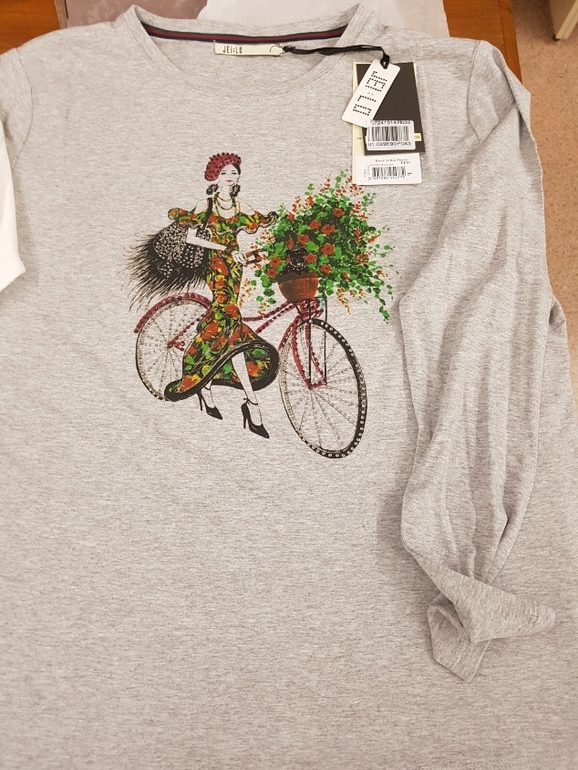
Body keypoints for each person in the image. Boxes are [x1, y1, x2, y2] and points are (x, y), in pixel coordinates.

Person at [162, 152, 279, 438]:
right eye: (225, 172)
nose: (230, 177)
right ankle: (252, 402)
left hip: (235, 267)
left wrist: (252, 253)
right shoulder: (206, 204)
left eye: (234, 172)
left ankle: (205, 387)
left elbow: (258, 226)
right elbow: (191, 236)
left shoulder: (241, 206)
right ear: (214, 176)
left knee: (225, 327)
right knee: (230, 319)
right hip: (214, 264)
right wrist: (225, 249)